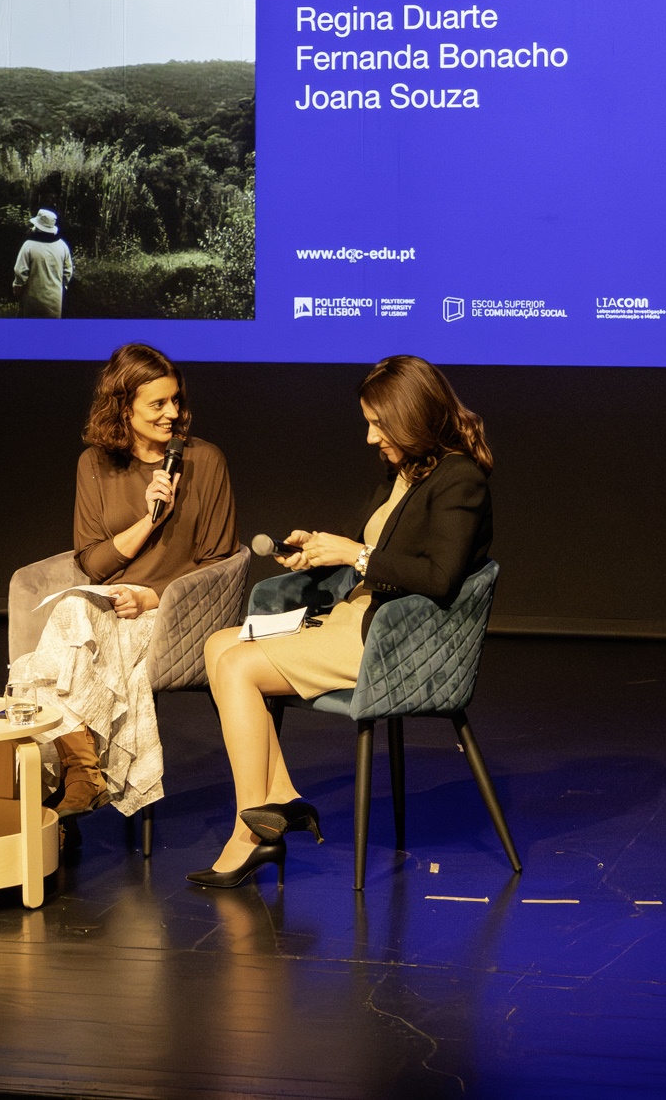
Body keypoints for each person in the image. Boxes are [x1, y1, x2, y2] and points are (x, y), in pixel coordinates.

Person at [190, 354, 493, 887]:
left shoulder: (460, 480)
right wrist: (316, 552)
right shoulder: (404, 473)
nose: (370, 437)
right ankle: (280, 797)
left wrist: (353, 554)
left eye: (378, 423)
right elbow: (370, 549)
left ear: (412, 415)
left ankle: (251, 831)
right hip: (350, 619)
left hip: (389, 641)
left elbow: (441, 577)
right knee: (218, 644)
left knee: (237, 667)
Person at [10, 343, 237, 819]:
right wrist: (150, 520)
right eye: (158, 404)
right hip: (107, 604)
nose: (172, 413)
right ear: (123, 407)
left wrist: (153, 596)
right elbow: (92, 562)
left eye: (175, 400)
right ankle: (81, 777)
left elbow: (218, 562)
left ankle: (74, 784)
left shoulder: (206, 461)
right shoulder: (94, 464)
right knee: (74, 614)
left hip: (176, 616)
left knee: (52, 653)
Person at [13, 208, 74, 317]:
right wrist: (61, 287)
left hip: (32, 299)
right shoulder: (62, 246)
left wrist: (17, 288)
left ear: (37, 227)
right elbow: (68, 271)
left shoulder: (28, 245)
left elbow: (20, 272)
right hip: (55, 300)